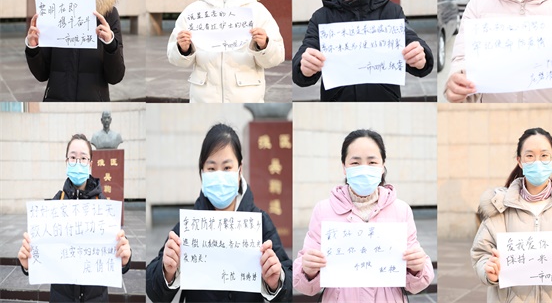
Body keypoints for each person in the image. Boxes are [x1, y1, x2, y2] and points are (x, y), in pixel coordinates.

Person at [146, 124, 292, 302]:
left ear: (240, 169)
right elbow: (154, 291)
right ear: (202, 171)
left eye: (227, 167)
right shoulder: (189, 227)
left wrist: (276, 282)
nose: (219, 175)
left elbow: (289, 284)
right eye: (211, 169)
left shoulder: (260, 223)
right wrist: (167, 271)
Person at [293, 129, 434, 302]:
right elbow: (304, 284)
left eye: (372, 162)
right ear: (344, 167)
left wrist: (416, 267)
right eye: (355, 162)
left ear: (382, 166)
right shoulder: (323, 210)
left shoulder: (401, 210)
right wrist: (308, 270)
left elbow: (416, 283)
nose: (364, 169)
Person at [292, 0, 434, 102]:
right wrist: (304, 65)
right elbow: (302, 60)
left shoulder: (392, 12)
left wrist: (421, 56)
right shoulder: (322, 17)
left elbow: (412, 40)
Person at [471, 128, 552, 302]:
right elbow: (480, 253)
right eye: (530, 156)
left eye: (544, 155)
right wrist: (488, 271)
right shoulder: (499, 208)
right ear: (520, 161)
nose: (537, 162)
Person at [17, 134, 132, 302]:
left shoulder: (103, 206)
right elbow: (41, 252)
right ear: (66, 162)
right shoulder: (55, 205)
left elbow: (119, 253)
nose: (78, 162)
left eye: (83, 158)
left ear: (90, 164)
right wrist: (28, 265)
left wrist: (125, 259)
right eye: (73, 157)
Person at [167, 0, 285, 103]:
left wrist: (264, 45)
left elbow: (276, 58)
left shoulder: (256, 10)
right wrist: (183, 49)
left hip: (246, 97)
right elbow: (175, 58)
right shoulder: (194, 12)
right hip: (204, 99)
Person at [25, 0, 125, 102]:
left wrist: (110, 44)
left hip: (93, 103)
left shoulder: (108, 14)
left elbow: (116, 76)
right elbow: (41, 74)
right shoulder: (53, 12)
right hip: (56, 102)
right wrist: (33, 47)